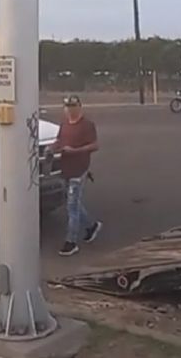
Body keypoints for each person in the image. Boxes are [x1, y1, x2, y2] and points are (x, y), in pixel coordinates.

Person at [50, 95, 102, 257]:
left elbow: (95, 145)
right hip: (66, 169)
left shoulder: (87, 125)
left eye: (73, 106)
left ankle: (71, 242)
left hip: (79, 170)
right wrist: (52, 148)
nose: (70, 110)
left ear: (79, 107)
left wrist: (75, 151)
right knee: (74, 203)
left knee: (71, 207)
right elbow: (59, 140)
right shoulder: (64, 124)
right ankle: (91, 226)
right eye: (67, 107)